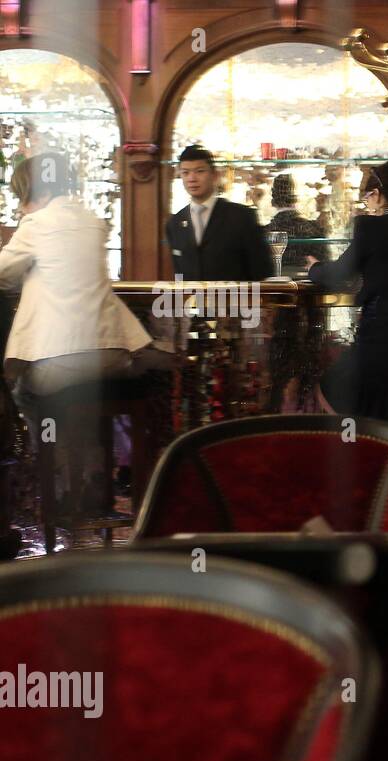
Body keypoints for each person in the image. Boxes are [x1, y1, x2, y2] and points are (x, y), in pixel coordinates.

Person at [0, 152, 161, 512]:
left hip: (64, 357)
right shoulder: (91, 221)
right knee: (81, 398)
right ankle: (95, 478)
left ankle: (60, 486)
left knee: (24, 393)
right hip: (115, 353)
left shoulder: (37, 224)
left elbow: (3, 273)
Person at [305, 160, 388, 432]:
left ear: (375, 195)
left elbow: (339, 275)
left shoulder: (371, 228)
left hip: (382, 343)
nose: (367, 206)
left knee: (328, 387)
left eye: (366, 199)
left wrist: (314, 268)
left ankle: (364, 450)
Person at [165, 145, 274, 281]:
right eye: (185, 173)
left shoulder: (241, 217)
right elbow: (179, 273)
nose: (191, 178)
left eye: (199, 171)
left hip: (235, 300)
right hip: (192, 301)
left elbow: (262, 271)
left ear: (214, 175)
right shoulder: (175, 223)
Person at [265, 173, 329, 276]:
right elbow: (326, 268)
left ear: (273, 199)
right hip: (308, 288)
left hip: (272, 288)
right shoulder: (314, 229)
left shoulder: (265, 232)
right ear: (296, 197)